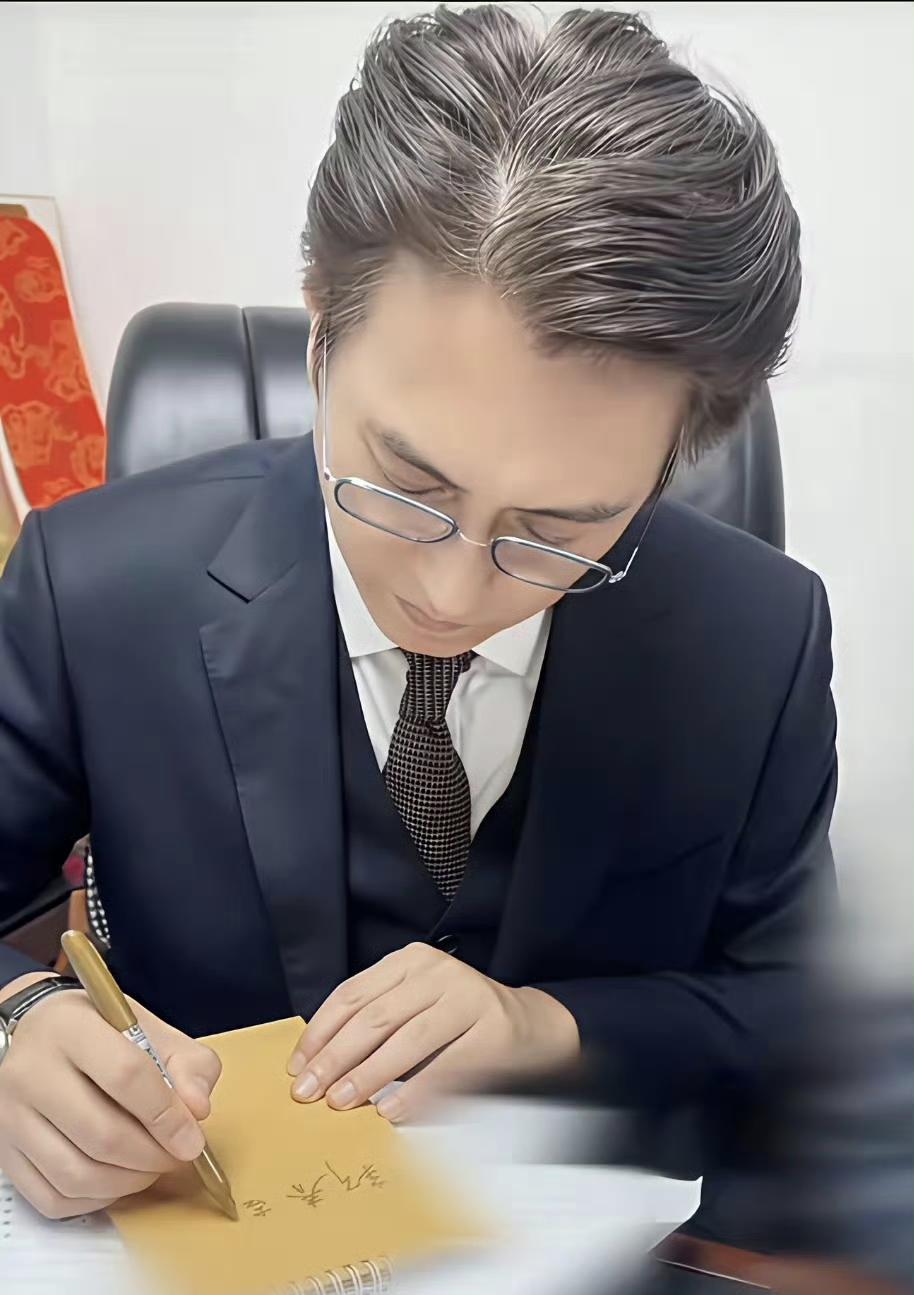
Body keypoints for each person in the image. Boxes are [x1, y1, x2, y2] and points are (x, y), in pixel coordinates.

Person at [0, 5, 836, 1222]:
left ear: (673, 459)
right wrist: (19, 1020)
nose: (449, 593)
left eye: (558, 528)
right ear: (319, 331)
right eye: (404, 481)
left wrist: (545, 1030)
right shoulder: (94, 584)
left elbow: (791, 1012)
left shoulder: (754, 635)